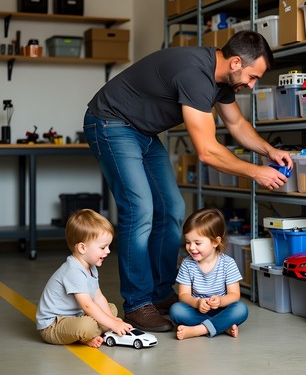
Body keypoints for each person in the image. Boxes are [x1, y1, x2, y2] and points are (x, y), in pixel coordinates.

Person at [83, 30, 293, 332]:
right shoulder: (195, 74)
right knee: (140, 210)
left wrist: (269, 150)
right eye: (253, 77)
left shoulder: (221, 80)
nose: (252, 85)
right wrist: (257, 172)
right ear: (236, 63)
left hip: (142, 132)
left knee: (171, 208)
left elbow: (236, 123)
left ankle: (161, 292)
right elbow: (207, 151)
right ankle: (138, 303)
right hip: (110, 123)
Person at [36, 209, 132, 348]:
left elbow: (98, 297)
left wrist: (112, 319)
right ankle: (85, 334)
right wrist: (112, 324)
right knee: (88, 325)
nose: (108, 251)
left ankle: (84, 336)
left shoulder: (91, 267)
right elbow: (87, 305)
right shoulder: (73, 271)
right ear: (82, 248)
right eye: (103, 247)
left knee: (111, 309)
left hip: (75, 316)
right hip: (53, 325)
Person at [169, 207, 249, 340]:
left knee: (241, 309)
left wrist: (220, 301)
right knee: (176, 310)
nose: (191, 247)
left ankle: (199, 330)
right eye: (188, 242)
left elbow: (234, 295)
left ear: (215, 242)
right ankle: (222, 326)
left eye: (197, 243)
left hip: (222, 309)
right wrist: (197, 303)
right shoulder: (187, 264)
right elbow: (183, 295)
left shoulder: (228, 263)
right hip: (197, 310)